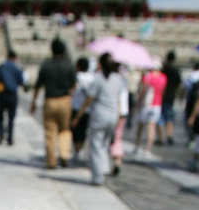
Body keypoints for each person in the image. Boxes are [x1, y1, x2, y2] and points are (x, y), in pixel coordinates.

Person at [73, 53, 127, 185]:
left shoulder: (98, 79)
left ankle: (98, 176)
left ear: (100, 64)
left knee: (96, 145)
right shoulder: (118, 79)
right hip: (113, 115)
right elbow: (118, 99)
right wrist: (119, 115)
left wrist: (78, 116)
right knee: (104, 143)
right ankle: (104, 169)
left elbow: (88, 99)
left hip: (99, 115)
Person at [31, 37, 76, 168]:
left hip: (49, 100)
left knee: (50, 132)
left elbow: (37, 85)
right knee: (65, 130)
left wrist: (33, 102)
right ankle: (64, 154)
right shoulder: (69, 65)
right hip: (64, 100)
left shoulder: (46, 65)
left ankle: (51, 161)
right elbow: (73, 85)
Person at [134, 62, 167, 158]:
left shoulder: (148, 76)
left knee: (140, 126)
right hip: (156, 104)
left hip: (146, 104)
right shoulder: (163, 77)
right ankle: (147, 149)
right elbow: (162, 91)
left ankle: (138, 146)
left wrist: (137, 103)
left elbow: (142, 91)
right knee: (151, 127)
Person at [0, 50, 24, 145]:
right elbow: (21, 81)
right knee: (11, 118)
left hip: (2, 94)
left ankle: (1, 132)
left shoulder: (1, 67)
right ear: (14, 58)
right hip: (12, 95)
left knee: (0, 116)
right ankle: (10, 138)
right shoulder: (17, 68)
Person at [70, 56, 95, 159]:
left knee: (75, 131)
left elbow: (71, 91)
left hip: (75, 106)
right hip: (87, 109)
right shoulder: (92, 78)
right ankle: (80, 149)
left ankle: (76, 150)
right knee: (83, 131)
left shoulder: (75, 76)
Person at [156, 50, 181, 145]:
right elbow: (179, 83)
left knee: (160, 117)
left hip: (161, 96)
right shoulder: (175, 70)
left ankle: (160, 138)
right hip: (171, 96)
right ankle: (169, 135)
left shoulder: (163, 70)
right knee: (170, 117)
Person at [184, 61, 199, 143]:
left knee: (190, 119)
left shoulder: (191, 75)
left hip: (191, 100)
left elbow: (186, 86)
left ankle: (191, 138)